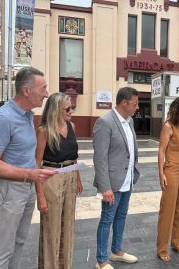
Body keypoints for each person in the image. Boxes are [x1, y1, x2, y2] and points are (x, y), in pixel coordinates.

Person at [0, 67, 57, 269]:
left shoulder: (26, 116)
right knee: (3, 249)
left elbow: (25, 156)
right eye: (43, 88)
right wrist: (30, 173)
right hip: (9, 191)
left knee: (19, 242)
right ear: (26, 91)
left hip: (26, 188)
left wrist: (35, 177)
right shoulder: (3, 118)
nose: (46, 93)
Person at [93, 87, 140, 269]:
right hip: (112, 183)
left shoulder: (130, 122)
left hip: (127, 180)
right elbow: (100, 158)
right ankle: (101, 260)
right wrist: (105, 187)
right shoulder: (105, 122)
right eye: (135, 104)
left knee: (121, 216)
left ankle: (117, 251)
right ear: (124, 103)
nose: (137, 108)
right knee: (107, 220)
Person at [34, 92, 83, 269]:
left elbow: (74, 157)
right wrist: (40, 196)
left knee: (67, 226)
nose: (71, 111)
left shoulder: (72, 126)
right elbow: (37, 164)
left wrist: (77, 178)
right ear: (56, 110)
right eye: (68, 108)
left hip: (70, 177)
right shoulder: (44, 130)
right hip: (51, 177)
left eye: (72, 108)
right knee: (51, 228)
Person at [156, 97, 179, 262]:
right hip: (171, 170)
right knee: (168, 210)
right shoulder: (168, 126)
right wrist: (161, 173)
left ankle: (178, 242)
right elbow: (161, 151)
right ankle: (162, 248)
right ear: (178, 112)